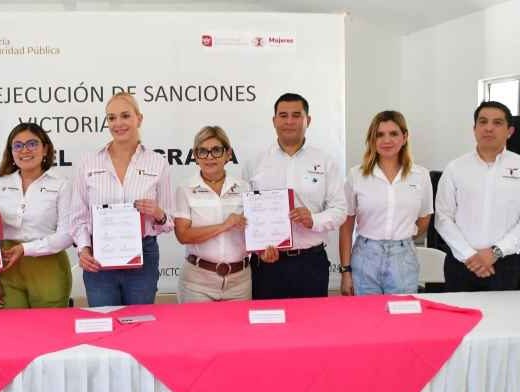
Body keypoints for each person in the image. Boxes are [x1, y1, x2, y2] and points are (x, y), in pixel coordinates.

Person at [70, 92, 173, 306]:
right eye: (112, 118)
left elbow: (169, 221)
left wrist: (158, 213)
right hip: (98, 256)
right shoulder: (88, 163)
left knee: (139, 321)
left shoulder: (158, 163)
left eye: (125, 116)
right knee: (105, 319)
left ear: (139, 119)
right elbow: (78, 217)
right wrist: (84, 249)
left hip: (143, 255)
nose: (118, 123)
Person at [243, 92, 346, 299]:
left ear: (308, 120)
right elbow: (245, 213)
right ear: (274, 121)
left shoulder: (325, 161)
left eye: (296, 115)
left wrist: (313, 219)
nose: (289, 121)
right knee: (267, 320)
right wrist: (258, 249)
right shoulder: (255, 162)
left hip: (310, 263)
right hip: (266, 264)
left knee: (311, 320)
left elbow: (340, 210)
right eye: (283, 115)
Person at [339, 111, 433, 295]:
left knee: (401, 312)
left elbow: (424, 218)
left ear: (404, 137)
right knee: (367, 312)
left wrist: (404, 236)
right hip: (365, 256)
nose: (386, 140)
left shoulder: (420, 176)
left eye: (393, 133)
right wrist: (345, 271)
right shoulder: (356, 175)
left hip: (403, 258)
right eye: (380, 134)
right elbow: (346, 226)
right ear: (372, 140)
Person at [435, 101, 520, 292]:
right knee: (458, 312)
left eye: (497, 123)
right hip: (461, 263)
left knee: (504, 312)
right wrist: (470, 255)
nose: (489, 128)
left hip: (507, 265)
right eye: (483, 122)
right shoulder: (455, 168)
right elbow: (443, 217)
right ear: (474, 129)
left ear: (510, 131)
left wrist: (496, 252)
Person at [0, 123, 73, 308]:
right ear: (11, 152)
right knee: (13, 326)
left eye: (32, 144)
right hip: (7, 268)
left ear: (45, 149)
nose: (24, 150)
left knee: (49, 325)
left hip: (48, 268)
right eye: (18, 145)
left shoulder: (61, 184)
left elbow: (67, 235)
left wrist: (25, 249)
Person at [174, 126, 250, 303]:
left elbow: (254, 230)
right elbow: (183, 235)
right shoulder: (185, 189)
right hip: (197, 283)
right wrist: (225, 225)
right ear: (195, 156)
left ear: (228, 154)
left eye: (216, 150)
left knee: (239, 324)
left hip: (240, 282)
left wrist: (265, 248)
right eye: (203, 151)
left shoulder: (245, 188)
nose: (209, 157)